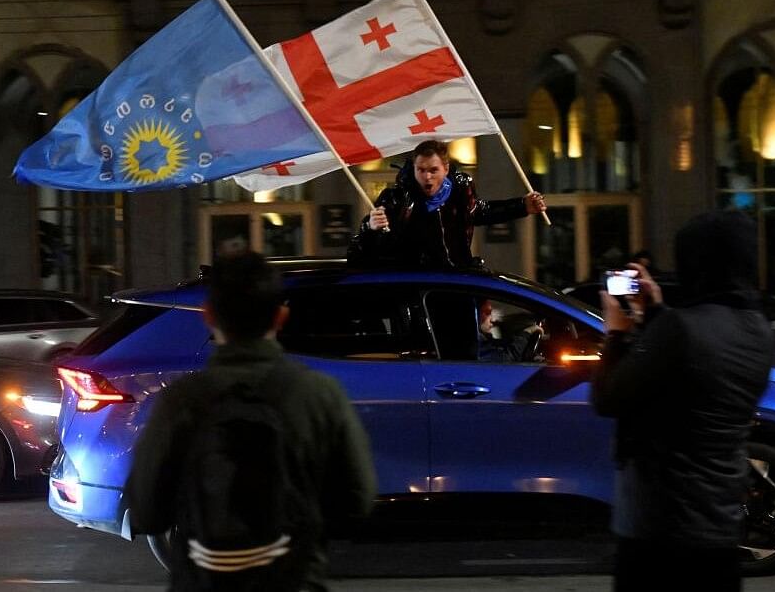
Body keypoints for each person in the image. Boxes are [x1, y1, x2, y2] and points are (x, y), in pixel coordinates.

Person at [126, 252, 377, 592]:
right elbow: (357, 500)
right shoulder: (319, 394)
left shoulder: (181, 402)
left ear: (209, 316)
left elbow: (146, 511)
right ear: (282, 316)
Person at [590, 211, 775, 592]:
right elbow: (694, 379)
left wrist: (616, 334)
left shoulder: (680, 329)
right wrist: (656, 311)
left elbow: (608, 397)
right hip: (720, 528)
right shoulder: (760, 331)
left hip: (659, 526)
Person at [347, 140, 547, 269]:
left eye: (433, 170)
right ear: (414, 169)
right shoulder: (396, 198)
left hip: (454, 280)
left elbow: (479, 212)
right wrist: (370, 227)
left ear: (446, 169)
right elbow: (366, 247)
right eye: (421, 170)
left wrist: (522, 206)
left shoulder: (460, 191)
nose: (427, 176)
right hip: (416, 286)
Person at [477, 299, 542, 363]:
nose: (493, 320)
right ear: (474, 315)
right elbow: (506, 359)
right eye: (487, 313)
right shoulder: (474, 344)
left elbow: (499, 346)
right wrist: (527, 332)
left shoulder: (482, 340)